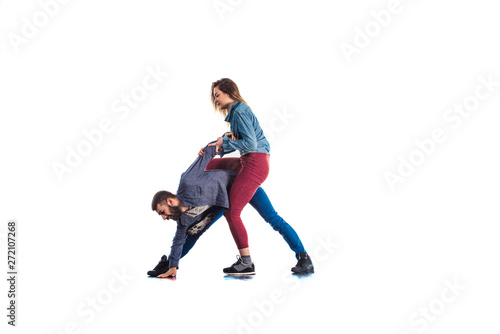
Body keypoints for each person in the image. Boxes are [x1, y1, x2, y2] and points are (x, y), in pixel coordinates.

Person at [150, 144, 314, 278]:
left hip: (242, 183)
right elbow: (179, 241)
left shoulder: (187, 182)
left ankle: (303, 257)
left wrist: (223, 141)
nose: (164, 217)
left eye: (162, 212)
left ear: (170, 201)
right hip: (225, 200)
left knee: (273, 219)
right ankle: (167, 264)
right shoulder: (183, 219)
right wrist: (173, 265)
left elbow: (208, 152)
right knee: (194, 232)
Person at [202, 78, 271, 274]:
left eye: (217, 95)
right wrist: (217, 144)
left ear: (228, 93)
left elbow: (250, 144)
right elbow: (243, 140)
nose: (215, 100)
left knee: (232, 212)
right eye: (214, 97)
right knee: (211, 164)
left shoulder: (239, 112)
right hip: (251, 161)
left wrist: (224, 143)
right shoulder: (238, 112)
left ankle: (246, 262)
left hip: (254, 163)